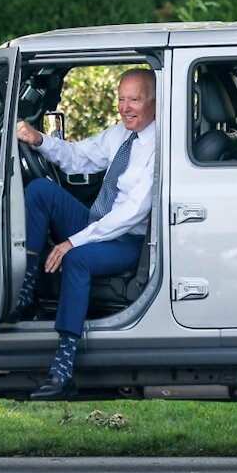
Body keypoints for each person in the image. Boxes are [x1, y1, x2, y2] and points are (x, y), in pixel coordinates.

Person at [13, 68, 157, 399]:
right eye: (121, 99)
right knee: (39, 191)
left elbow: (130, 213)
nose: (125, 108)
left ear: (154, 101)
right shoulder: (121, 134)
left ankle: (63, 365)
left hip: (127, 240)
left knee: (76, 259)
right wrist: (39, 139)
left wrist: (72, 241)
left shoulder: (158, 146)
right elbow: (79, 158)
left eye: (134, 99)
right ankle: (26, 294)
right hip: (99, 224)